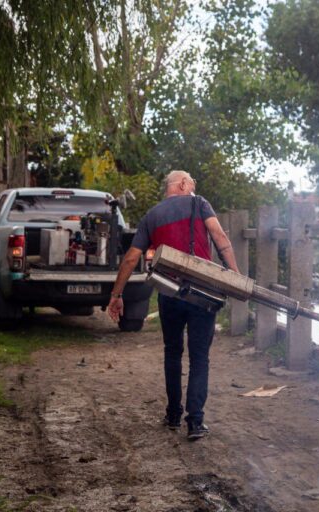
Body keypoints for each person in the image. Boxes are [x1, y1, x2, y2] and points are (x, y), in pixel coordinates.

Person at [107, 170, 239, 440]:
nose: (195, 185)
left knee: (172, 353)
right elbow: (220, 237)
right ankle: (195, 422)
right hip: (202, 293)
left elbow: (132, 257)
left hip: (169, 293)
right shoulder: (199, 203)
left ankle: (173, 415)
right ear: (181, 184)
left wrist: (116, 295)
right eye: (192, 181)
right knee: (200, 357)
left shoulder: (151, 216)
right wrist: (234, 276)